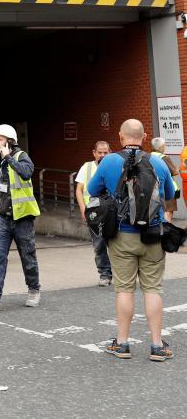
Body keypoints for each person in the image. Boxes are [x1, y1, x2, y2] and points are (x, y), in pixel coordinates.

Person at [88, 119, 176, 361]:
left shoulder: (110, 161)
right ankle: (157, 346)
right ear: (144, 136)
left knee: (124, 289)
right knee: (153, 289)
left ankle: (123, 343)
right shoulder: (157, 161)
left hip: (122, 235)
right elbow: (169, 194)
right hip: (153, 235)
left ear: (120, 137)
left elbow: (93, 190)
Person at [0, 124, 41, 315]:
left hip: (23, 216)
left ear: (10, 141)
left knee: (27, 255)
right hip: (3, 217)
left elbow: (26, 172)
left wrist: (8, 157)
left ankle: (33, 289)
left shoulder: (21, 157)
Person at [74, 141, 113, 286]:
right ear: (94, 153)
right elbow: (79, 189)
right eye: (100, 152)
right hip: (94, 213)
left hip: (111, 211)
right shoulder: (87, 167)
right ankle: (105, 274)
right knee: (98, 244)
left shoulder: (114, 166)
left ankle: (121, 272)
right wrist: (82, 208)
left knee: (116, 243)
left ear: (110, 152)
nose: (102, 155)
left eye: (105, 152)